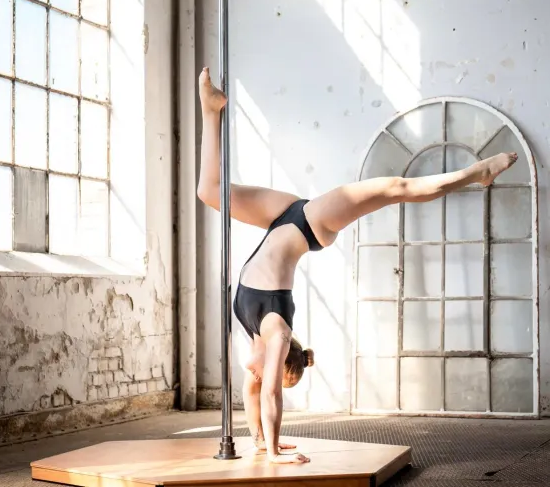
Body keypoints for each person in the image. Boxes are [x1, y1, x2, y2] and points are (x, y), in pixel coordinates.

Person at [196, 67, 518, 465]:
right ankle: (475, 173)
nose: (259, 376)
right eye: (273, 374)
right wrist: (277, 451)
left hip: (281, 215)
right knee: (392, 189)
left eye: (265, 376)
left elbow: (254, 393)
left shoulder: (256, 342)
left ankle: (211, 111)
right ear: (283, 359)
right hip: (308, 223)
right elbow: (268, 394)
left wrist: (263, 444)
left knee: (207, 192)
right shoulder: (276, 334)